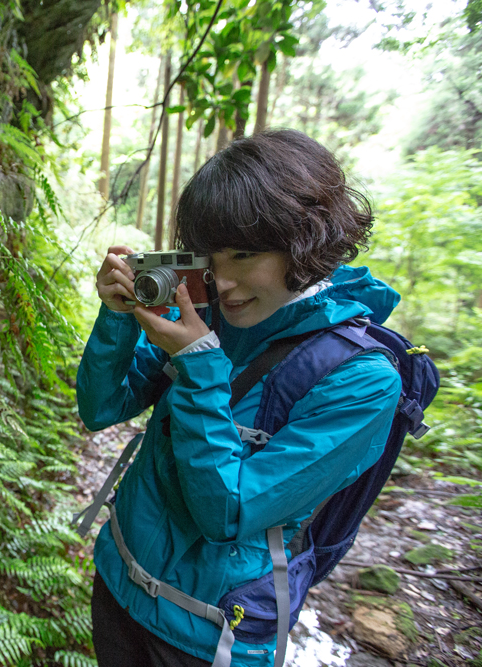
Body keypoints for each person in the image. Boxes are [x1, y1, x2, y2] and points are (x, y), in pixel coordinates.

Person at [76, 130, 403, 667]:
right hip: (119, 580)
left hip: (210, 637)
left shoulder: (362, 380)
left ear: (307, 241)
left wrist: (200, 361)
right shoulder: (219, 316)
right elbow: (101, 407)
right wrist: (117, 318)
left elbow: (226, 512)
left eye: (245, 255)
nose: (222, 282)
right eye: (211, 257)